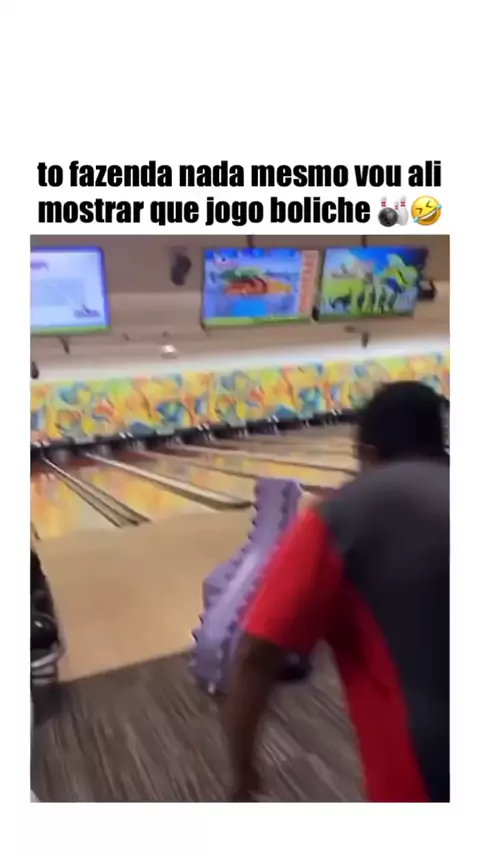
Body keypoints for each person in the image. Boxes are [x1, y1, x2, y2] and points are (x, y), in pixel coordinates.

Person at [222, 381, 449, 803]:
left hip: (423, 779)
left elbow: (254, 655)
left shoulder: (338, 515)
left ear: (368, 453)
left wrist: (243, 768)